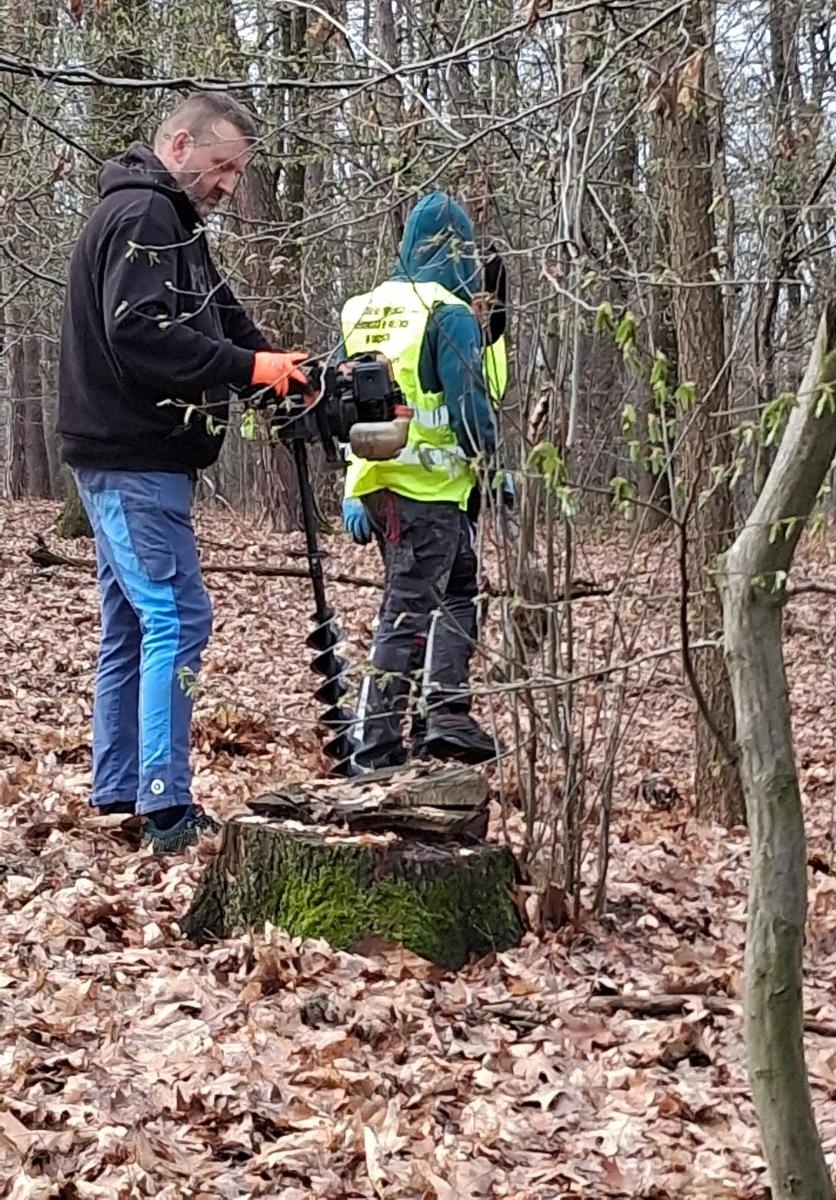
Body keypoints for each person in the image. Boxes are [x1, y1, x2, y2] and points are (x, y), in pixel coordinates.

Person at [57, 91, 308, 852]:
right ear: (177, 145)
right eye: (221, 165)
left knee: (133, 624)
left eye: (237, 171)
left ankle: (121, 788)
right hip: (132, 455)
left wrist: (276, 374)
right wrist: (248, 364)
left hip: (130, 455)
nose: (228, 184)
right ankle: (164, 803)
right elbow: (139, 336)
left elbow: (224, 316)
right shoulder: (143, 218)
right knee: (175, 616)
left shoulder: (175, 228)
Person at [339, 192, 507, 771]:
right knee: (408, 611)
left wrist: (352, 484)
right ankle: (378, 747)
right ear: (460, 253)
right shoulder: (449, 314)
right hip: (429, 490)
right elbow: (468, 408)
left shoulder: (363, 308)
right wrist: (492, 464)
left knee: (459, 590)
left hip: (383, 483)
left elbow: (342, 404)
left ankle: (446, 715)